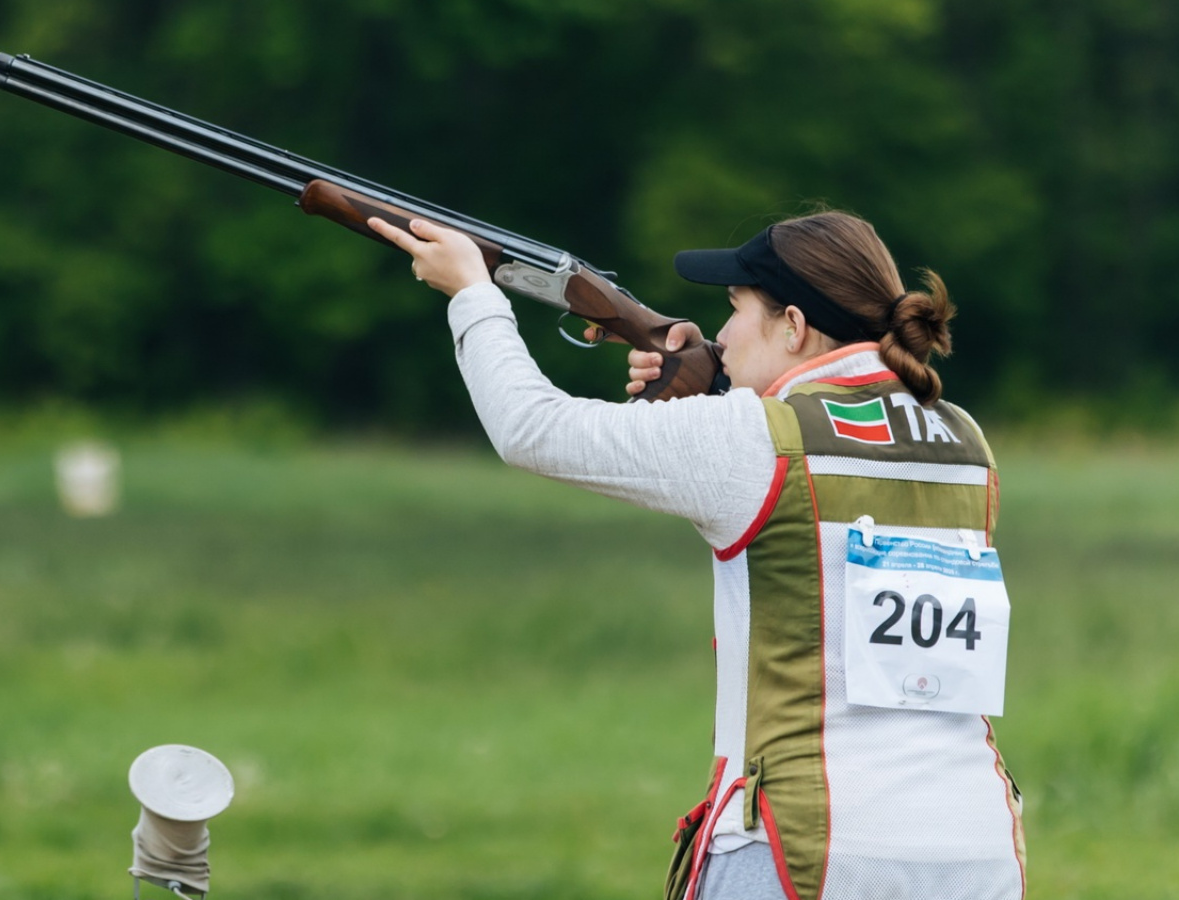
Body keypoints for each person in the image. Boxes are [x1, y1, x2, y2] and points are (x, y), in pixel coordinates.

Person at [368, 210, 1026, 900]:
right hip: (975, 846)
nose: (722, 335)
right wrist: (717, 382)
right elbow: (835, 458)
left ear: (793, 325)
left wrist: (473, 294)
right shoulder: (965, 440)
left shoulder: (753, 437)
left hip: (806, 847)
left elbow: (529, 429)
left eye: (735, 310)